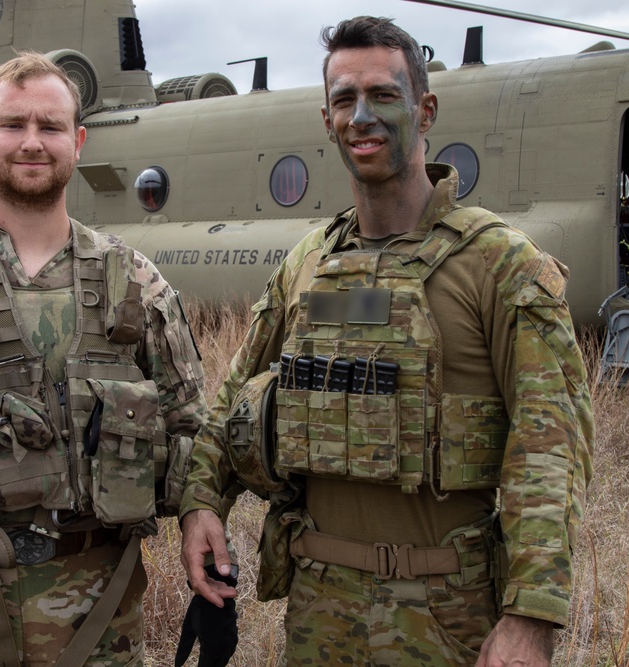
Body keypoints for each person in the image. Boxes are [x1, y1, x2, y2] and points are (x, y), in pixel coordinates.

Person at [178, 16, 593, 667]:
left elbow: (550, 445)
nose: (361, 116)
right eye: (344, 99)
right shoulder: (306, 266)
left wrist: (530, 615)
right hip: (320, 612)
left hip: (450, 611)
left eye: (383, 95)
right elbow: (229, 399)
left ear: (425, 109)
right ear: (326, 119)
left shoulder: (501, 264)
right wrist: (202, 500)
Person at [0, 53, 207, 666]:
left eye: (50, 127)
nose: (32, 143)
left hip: (100, 613)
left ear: (77, 141)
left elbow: (192, 429)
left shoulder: (137, 283)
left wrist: (201, 518)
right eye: (12, 124)